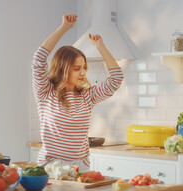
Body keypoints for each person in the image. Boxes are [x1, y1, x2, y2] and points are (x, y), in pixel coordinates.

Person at [32, 13, 124, 171]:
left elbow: (116, 78)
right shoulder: (46, 92)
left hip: (80, 168)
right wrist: (64, 28)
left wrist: (100, 46)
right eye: (76, 69)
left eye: (84, 68)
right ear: (63, 69)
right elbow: (38, 59)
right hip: (50, 167)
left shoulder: (87, 96)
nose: (83, 73)